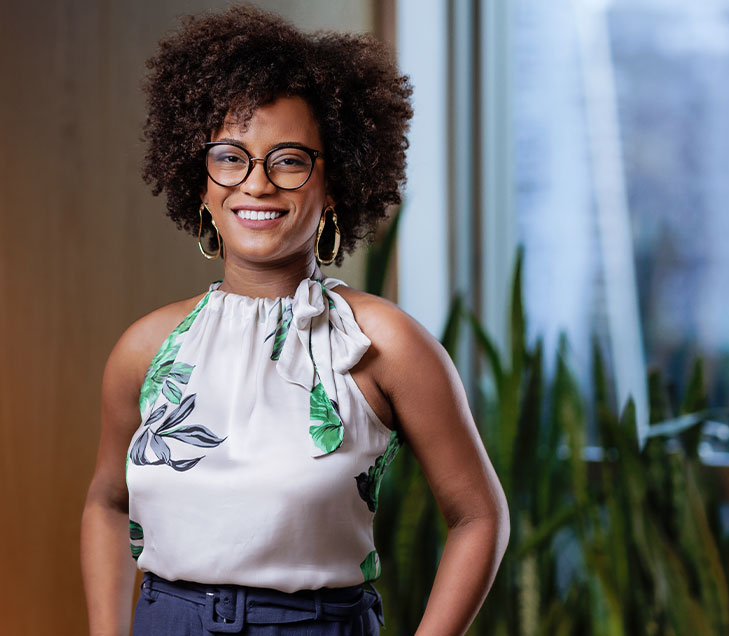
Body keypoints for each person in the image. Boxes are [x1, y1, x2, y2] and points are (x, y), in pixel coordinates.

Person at [80, 6, 509, 636]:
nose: (256, 184)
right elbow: (107, 502)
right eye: (230, 157)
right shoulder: (147, 348)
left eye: (288, 160)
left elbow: (478, 516)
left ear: (333, 180)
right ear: (200, 182)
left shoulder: (381, 345)